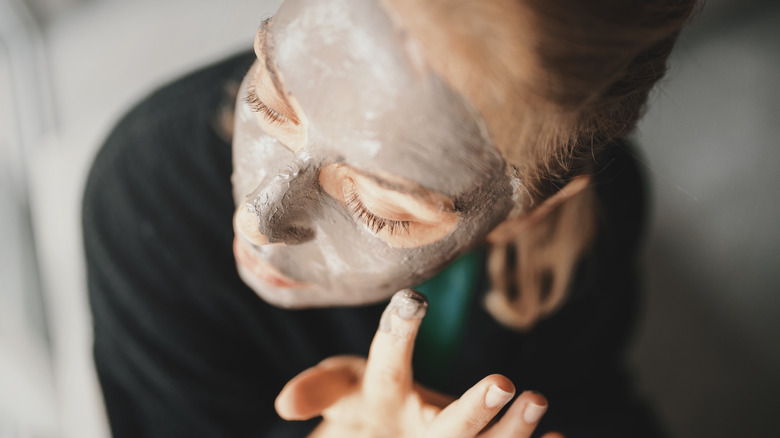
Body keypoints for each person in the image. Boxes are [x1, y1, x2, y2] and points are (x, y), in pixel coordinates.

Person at [83, 0, 698, 436]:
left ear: (529, 212)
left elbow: (587, 395)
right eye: (268, 103)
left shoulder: (602, 217)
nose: (257, 220)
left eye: (376, 207)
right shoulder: (145, 199)